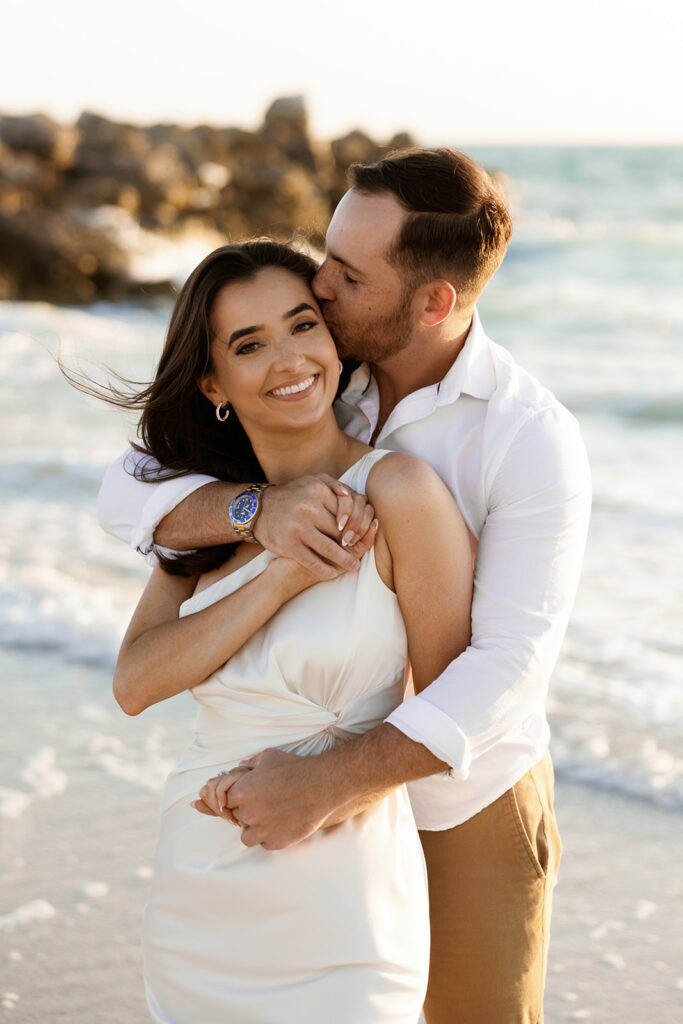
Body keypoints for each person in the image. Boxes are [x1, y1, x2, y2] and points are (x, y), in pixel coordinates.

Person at [100, 148, 592, 1023]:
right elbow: (128, 490)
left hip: (466, 788)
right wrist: (260, 511)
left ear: (431, 302)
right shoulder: (330, 362)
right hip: (242, 848)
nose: (320, 286)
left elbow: (506, 669)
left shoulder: (527, 437)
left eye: (346, 275)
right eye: (325, 255)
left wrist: (332, 783)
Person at [110, 240, 474, 1023]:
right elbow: (134, 683)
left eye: (302, 324)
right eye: (249, 344)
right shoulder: (208, 512)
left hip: (345, 912)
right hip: (197, 902)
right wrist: (281, 570)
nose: (288, 358)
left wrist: (325, 787)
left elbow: (456, 706)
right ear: (212, 382)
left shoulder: (398, 491)